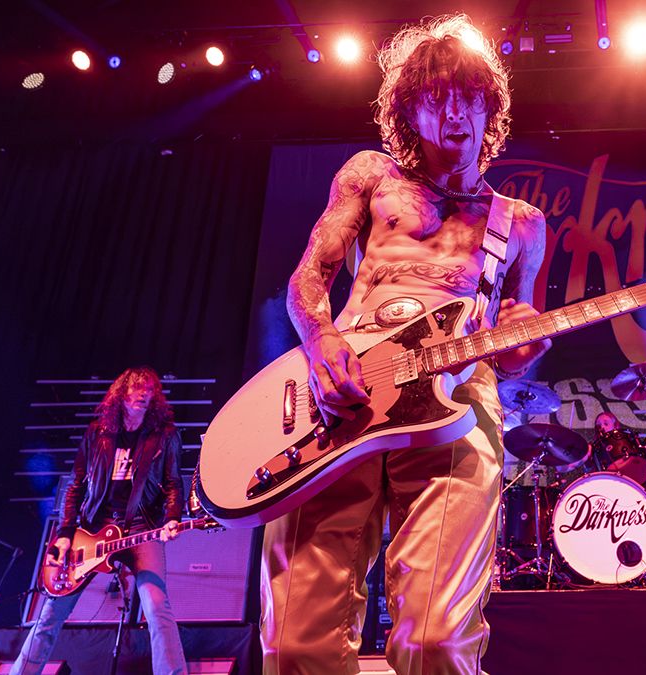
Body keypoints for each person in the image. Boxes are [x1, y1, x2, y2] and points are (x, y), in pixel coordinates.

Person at [263, 14, 549, 675]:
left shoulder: (522, 225)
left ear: (491, 105)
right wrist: (320, 333)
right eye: (434, 96)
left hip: (455, 401)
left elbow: (516, 343)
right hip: (344, 396)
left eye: (467, 95)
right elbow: (310, 274)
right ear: (405, 111)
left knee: (437, 644)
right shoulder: (371, 175)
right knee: (293, 647)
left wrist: (522, 343)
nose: (453, 112)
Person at [11, 367, 188, 675]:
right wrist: (66, 532)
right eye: (136, 393)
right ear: (121, 396)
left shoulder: (166, 435)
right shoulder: (97, 432)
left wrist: (172, 518)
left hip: (140, 526)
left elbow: (173, 482)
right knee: (52, 610)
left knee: (157, 607)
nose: (142, 398)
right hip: (93, 528)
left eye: (147, 394)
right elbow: (76, 482)